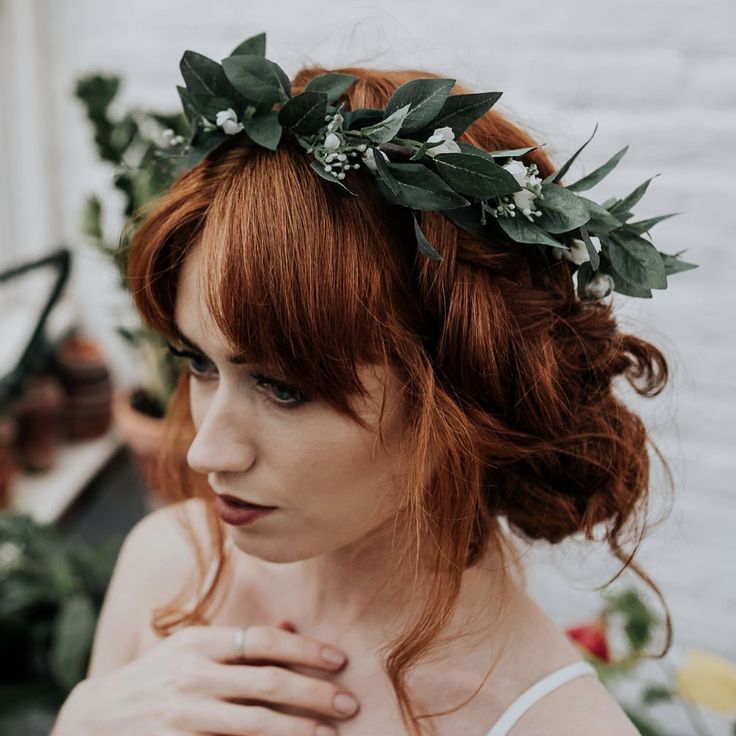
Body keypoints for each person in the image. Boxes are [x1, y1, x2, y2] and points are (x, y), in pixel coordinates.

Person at [51, 50, 677, 736]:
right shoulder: (168, 565)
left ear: (460, 396)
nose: (206, 452)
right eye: (199, 365)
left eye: (283, 389)